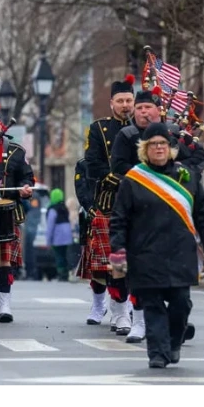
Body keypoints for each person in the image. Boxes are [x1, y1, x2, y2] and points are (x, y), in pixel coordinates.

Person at [108, 123, 204, 368]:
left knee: (181, 303)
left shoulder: (186, 176)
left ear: (171, 148)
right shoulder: (134, 180)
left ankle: (173, 342)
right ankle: (158, 353)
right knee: (153, 305)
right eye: (153, 145)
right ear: (145, 150)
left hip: (181, 252)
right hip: (145, 254)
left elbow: (203, 214)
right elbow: (119, 219)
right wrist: (118, 251)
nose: (159, 148)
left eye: (163, 144)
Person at [81, 75, 137, 334]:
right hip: (110, 200)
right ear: (111, 103)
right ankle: (119, 311)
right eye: (121, 101)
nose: (126, 105)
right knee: (113, 261)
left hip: (142, 198)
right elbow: (93, 165)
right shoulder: (98, 128)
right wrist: (119, 178)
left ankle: (130, 310)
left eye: (129, 100)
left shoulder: (144, 127)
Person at [0, 115, 34, 322]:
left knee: (5, 261)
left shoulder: (17, 151)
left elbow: (27, 177)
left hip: (7, 211)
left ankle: (5, 306)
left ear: (2, 125)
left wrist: (26, 188)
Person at [45, 189, 74, 282]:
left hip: (58, 236)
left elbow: (50, 225)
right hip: (67, 235)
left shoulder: (52, 209)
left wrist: (48, 241)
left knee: (59, 256)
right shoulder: (64, 207)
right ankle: (65, 273)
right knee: (65, 254)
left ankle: (62, 275)